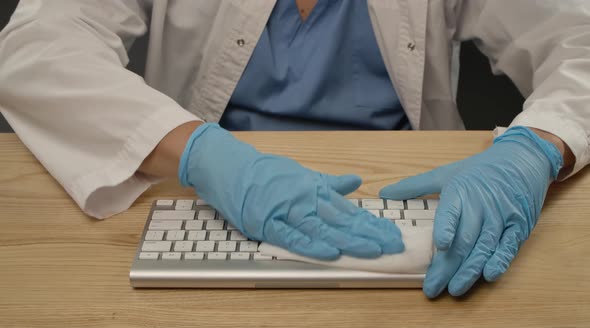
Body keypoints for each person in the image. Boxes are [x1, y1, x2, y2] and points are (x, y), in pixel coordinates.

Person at [0, 0, 587, 298]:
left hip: (405, 203)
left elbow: (578, 34)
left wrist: (534, 151)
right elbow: (41, 46)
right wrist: (200, 153)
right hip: (207, 193)